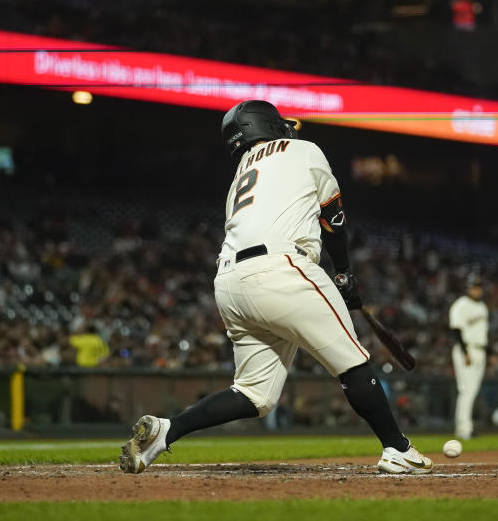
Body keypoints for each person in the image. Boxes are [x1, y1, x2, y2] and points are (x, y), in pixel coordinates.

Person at [119, 100, 432, 475]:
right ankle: (397, 448)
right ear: (269, 124)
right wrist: (345, 273)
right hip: (281, 268)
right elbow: (332, 217)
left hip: (230, 283)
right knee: (352, 361)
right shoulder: (303, 149)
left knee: (254, 393)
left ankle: (167, 431)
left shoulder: (240, 173)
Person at [448, 271, 489, 440]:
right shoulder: (461, 305)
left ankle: (465, 427)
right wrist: (465, 352)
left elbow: (482, 332)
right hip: (466, 350)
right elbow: (456, 330)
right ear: (468, 287)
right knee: (467, 390)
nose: (477, 290)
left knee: (472, 390)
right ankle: (464, 428)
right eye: (474, 286)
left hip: (481, 350)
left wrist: (490, 353)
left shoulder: (483, 307)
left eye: (479, 286)